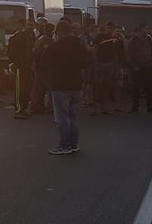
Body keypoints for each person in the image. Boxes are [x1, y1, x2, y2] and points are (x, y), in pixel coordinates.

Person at [43, 20, 91, 155]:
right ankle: (74, 144)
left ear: (59, 32)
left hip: (60, 84)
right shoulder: (81, 45)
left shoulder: (55, 46)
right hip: (76, 84)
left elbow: (44, 62)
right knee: (73, 116)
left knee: (62, 117)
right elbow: (87, 62)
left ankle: (64, 145)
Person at [125, 24, 152, 113]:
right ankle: (135, 106)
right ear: (141, 30)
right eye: (145, 29)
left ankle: (150, 106)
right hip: (137, 68)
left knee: (149, 88)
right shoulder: (133, 40)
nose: (147, 30)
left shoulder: (149, 39)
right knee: (136, 88)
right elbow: (129, 54)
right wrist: (134, 66)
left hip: (148, 67)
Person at [7, 20, 35, 119]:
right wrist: (14, 63)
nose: (30, 27)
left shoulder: (31, 36)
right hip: (20, 66)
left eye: (32, 25)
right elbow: (12, 51)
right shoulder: (19, 36)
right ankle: (18, 110)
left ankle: (24, 108)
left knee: (26, 89)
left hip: (27, 67)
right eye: (28, 25)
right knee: (20, 89)